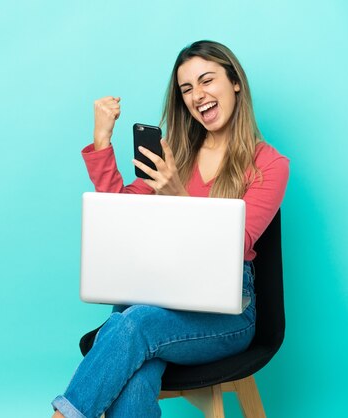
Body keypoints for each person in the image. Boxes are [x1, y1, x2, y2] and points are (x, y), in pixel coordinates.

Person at [51, 40, 289, 418]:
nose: (198, 96)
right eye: (187, 89)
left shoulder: (269, 165)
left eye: (207, 80)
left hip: (225, 313)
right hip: (152, 297)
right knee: (136, 371)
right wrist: (101, 142)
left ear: (235, 83)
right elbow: (120, 215)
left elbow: (234, 247)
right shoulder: (174, 153)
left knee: (134, 325)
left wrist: (178, 193)